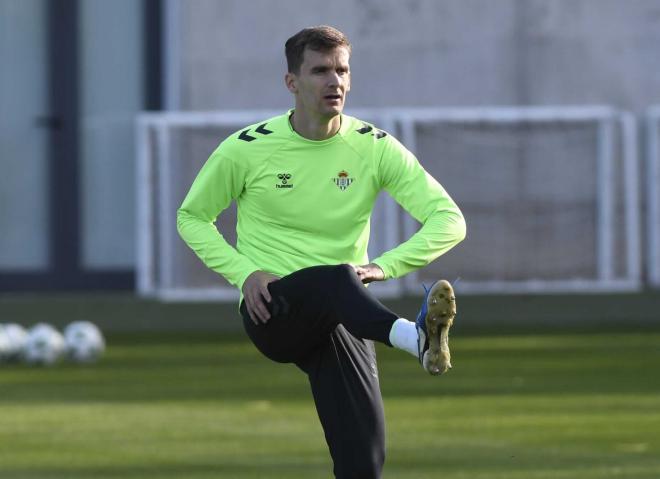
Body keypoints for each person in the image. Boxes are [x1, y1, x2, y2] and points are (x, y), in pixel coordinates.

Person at [177, 25, 466, 479]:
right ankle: (416, 339)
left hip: (346, 312)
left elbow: (450, 219)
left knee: (364, 463)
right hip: (274, 309)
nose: (335, 82)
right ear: (292, 82)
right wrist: (245, 273)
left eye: (342, 70)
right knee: (335, 276)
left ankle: (411, 337)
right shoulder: (246, 149)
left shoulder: (373, 146)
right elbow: (191, 217)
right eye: (320, 71)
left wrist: (382, 267)